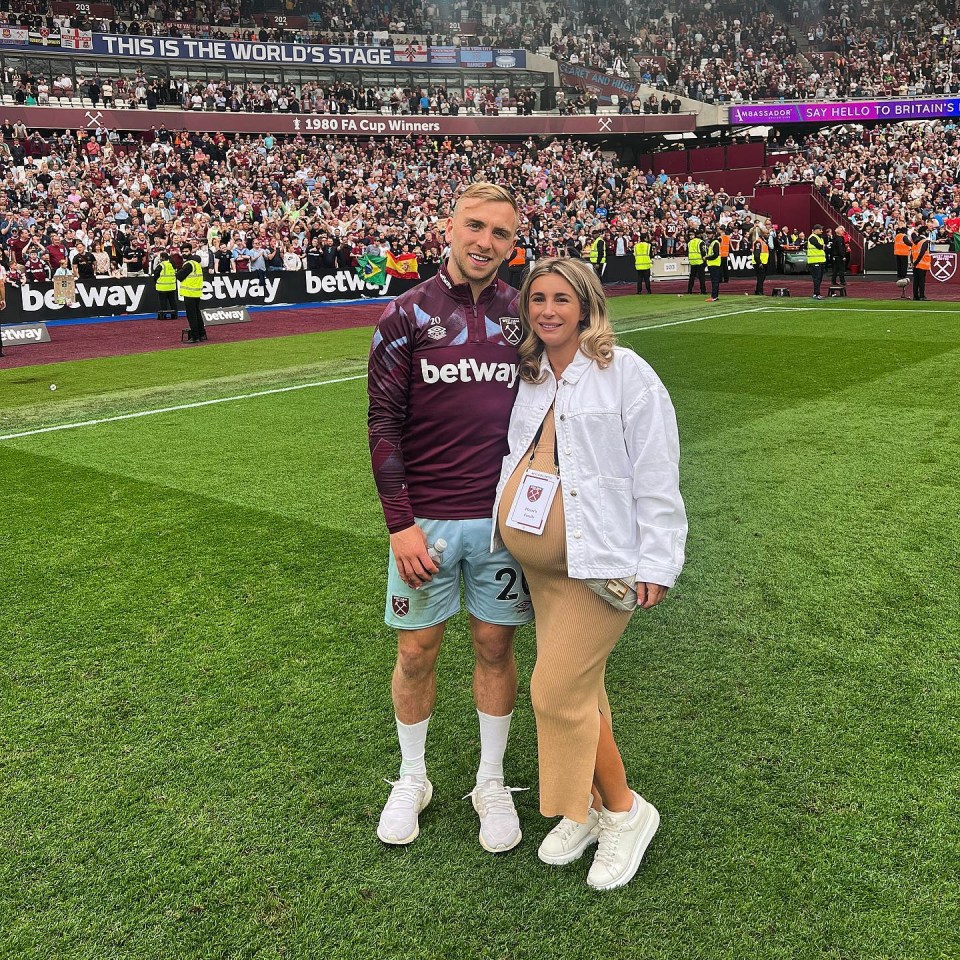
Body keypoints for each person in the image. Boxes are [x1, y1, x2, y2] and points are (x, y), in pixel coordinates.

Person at [492, 257, 686, 890]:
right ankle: (588, 807)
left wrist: (657, 560)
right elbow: (517, 459)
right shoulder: (531, 377)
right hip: (545, 571)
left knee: (554, 692)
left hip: (604, 564)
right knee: (585, 693)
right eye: (538, 299)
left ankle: (627, 812)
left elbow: (656, 473)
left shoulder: (624, 373)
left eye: (561, 300)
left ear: (587, 307)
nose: (548, 310)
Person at [367, 182, 534, 852]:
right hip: (425, 524)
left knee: (496, 646)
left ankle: (489, 782)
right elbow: (383, 425)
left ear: (513, 244)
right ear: (448, 226)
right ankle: (413, 777)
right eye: (474, 226)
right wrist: (399, 522)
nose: (484, 241)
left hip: (501, 525)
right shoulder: (403, 316)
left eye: (499, 233)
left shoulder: (525, 317)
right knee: (416, 650)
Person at [176, 242, 206, 342]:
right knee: (197, 313)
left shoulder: (188, 264)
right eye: (183, 251)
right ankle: (202, 334)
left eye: (186, 251)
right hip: (196, 292)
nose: (184, 253)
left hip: (189, 292)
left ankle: (195, 336)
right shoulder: (196, 264)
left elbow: (179, 276)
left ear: (190, 251)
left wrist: (179, 270)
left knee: (192, 315)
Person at [154, 249, 178, 321]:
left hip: (162, 287)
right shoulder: (172, 264)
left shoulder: (161, 265)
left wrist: (156, 281)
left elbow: (155, 274)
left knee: (163, 302)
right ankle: (174, 315)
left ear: (162, 258)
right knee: (172, 302)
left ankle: (163, 316)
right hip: (171, 286)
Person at [807, 224, 826, 299]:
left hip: (820, 261)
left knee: (819, 279)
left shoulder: (819, 238)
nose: (822, 231)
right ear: (815, 230)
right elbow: (819, 246)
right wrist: (823, 247)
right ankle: (816, 294)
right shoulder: (812, 237)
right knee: (817, 278)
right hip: (814, 261)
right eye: (820, 229)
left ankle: (817, 293)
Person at [911, 228, 931, 301]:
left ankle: (915, 296)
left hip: (915, 264)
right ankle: (922, 296)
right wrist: (916, 262)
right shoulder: (925, 241)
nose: (928, 232)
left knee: (916, 281)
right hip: (922, 264)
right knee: (921, 281)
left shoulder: (915, 242)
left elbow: (911, 254)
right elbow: (922, 253)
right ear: (924, 232)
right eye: (927, 231)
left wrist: (913, 263)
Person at [686, 229, 706, 294]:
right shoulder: (701, 242)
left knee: (691, 278)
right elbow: (703, 251)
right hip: (699, 261)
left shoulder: (689, 243)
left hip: (692, 262)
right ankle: (703, 291)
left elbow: (688, 252)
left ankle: (689, 291)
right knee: (701, 278)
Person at [705, 228, 722, 302]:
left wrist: (707, 258)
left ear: (713, 234)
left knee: (714, 281)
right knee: (715, 281)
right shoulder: (713, 242)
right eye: (708, 234)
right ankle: (715, 296)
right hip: (713, 264)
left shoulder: (715, 243)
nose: (708, 235)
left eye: (710, 234)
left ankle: (714, 296)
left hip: (714, 264)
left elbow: (716, 254)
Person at [752, 227, 769, 296]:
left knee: (761, 277)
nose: (768, 234)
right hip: (759, 263)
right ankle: (759, 291)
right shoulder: (758, 242)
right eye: (766, 233)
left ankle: (758, 290)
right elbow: (756, 254)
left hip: (763, 262)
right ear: (762, 234)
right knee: (761, 277)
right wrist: (759, 263)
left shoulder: (763, 241)